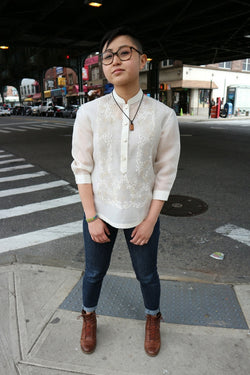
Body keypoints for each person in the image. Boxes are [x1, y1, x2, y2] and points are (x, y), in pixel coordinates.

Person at [71, 27, 180, 357]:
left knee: (147, 276)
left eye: (124, 52)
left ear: (142, 60)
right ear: (102, 66)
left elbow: (165, 172)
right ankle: (88, 317)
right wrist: (91, 217)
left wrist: (149, 221)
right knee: (93, 273)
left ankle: (153, 318)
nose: (114, 60)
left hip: (142, 214)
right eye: (107, 56)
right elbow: (82, 168)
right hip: (99, 212)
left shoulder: (163, 115)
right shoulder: (89, 112)